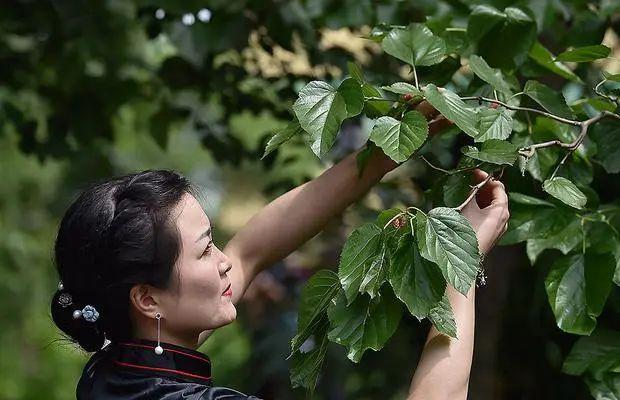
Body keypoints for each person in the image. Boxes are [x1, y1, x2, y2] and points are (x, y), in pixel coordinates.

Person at [49, 101, 509, 399]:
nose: (225, 259)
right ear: (148, 298)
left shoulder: (111, 371)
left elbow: (252, 248)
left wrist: (389, 151)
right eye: (206, 250)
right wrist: (459, 264)